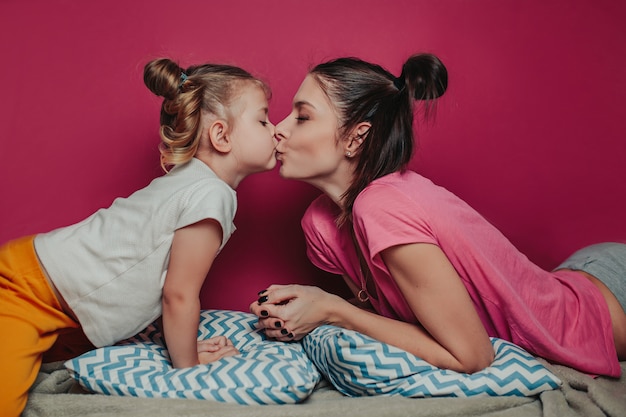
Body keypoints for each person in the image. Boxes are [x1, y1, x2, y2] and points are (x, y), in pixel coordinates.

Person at [250, 53, 626, 378]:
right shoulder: (320, 225)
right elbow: (388, 323)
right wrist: (304, 307)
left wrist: (331, 308)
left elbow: (472, 356)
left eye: (302, 117)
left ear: (356, 137)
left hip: (609, 298)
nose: (279, 129)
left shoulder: (381, 205)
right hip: (571, 275)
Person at [0, 57, 277, 417]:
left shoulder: (196, 182)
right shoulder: (213, 194)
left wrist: (187, 347)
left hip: (60, 309)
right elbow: (178, 293)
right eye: (263, 119)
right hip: (26, 292)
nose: (276, 130)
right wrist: (188, 367)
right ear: (221, 135)